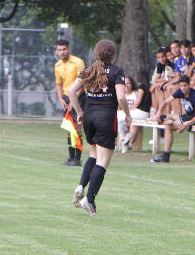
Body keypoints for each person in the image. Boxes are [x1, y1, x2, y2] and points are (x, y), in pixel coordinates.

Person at [68, 39, 130, 216]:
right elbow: (122, 98)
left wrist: (79, 111)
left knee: (93, 155)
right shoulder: (117, 72)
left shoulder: (89, 70)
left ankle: (81, 186)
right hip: (105, 118)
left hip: (89, 117)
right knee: (103, 161)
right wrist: (128, 114)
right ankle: (90, 199)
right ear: (112, 54)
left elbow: (72, 91)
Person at [150, 74, 195, 163]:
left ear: (189, 85)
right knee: (164, 117)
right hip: (188, 116)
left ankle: (166, 156)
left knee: (168, 124)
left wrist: (185, 125)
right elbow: (165, 102)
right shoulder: (180, 92)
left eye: (185, 85)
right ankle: (165, 155)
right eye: (181, 86)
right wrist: (158, 113)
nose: (183, 88)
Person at [54, 39, 86, 166]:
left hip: (79, 96)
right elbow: (58, 84)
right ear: (56, 51)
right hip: (67, 98)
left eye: (64, 49)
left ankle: (77, 159)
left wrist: (75, 99)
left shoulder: (78, 62)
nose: (62, 52)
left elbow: (83, 84)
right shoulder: (57, 66)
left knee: (77, 128)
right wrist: (61, 98)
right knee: (69, 128)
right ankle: (71, 158)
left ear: (68, 49)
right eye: (59, 50)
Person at [121, 73, 151, 152]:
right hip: (146, 113)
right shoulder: (150, 87)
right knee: (134, 124)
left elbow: (137, 101)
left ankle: (124, 138)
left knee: (123, 116)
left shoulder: (141, 87)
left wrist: (130, 111)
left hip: (140, 112)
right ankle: (129, 144)